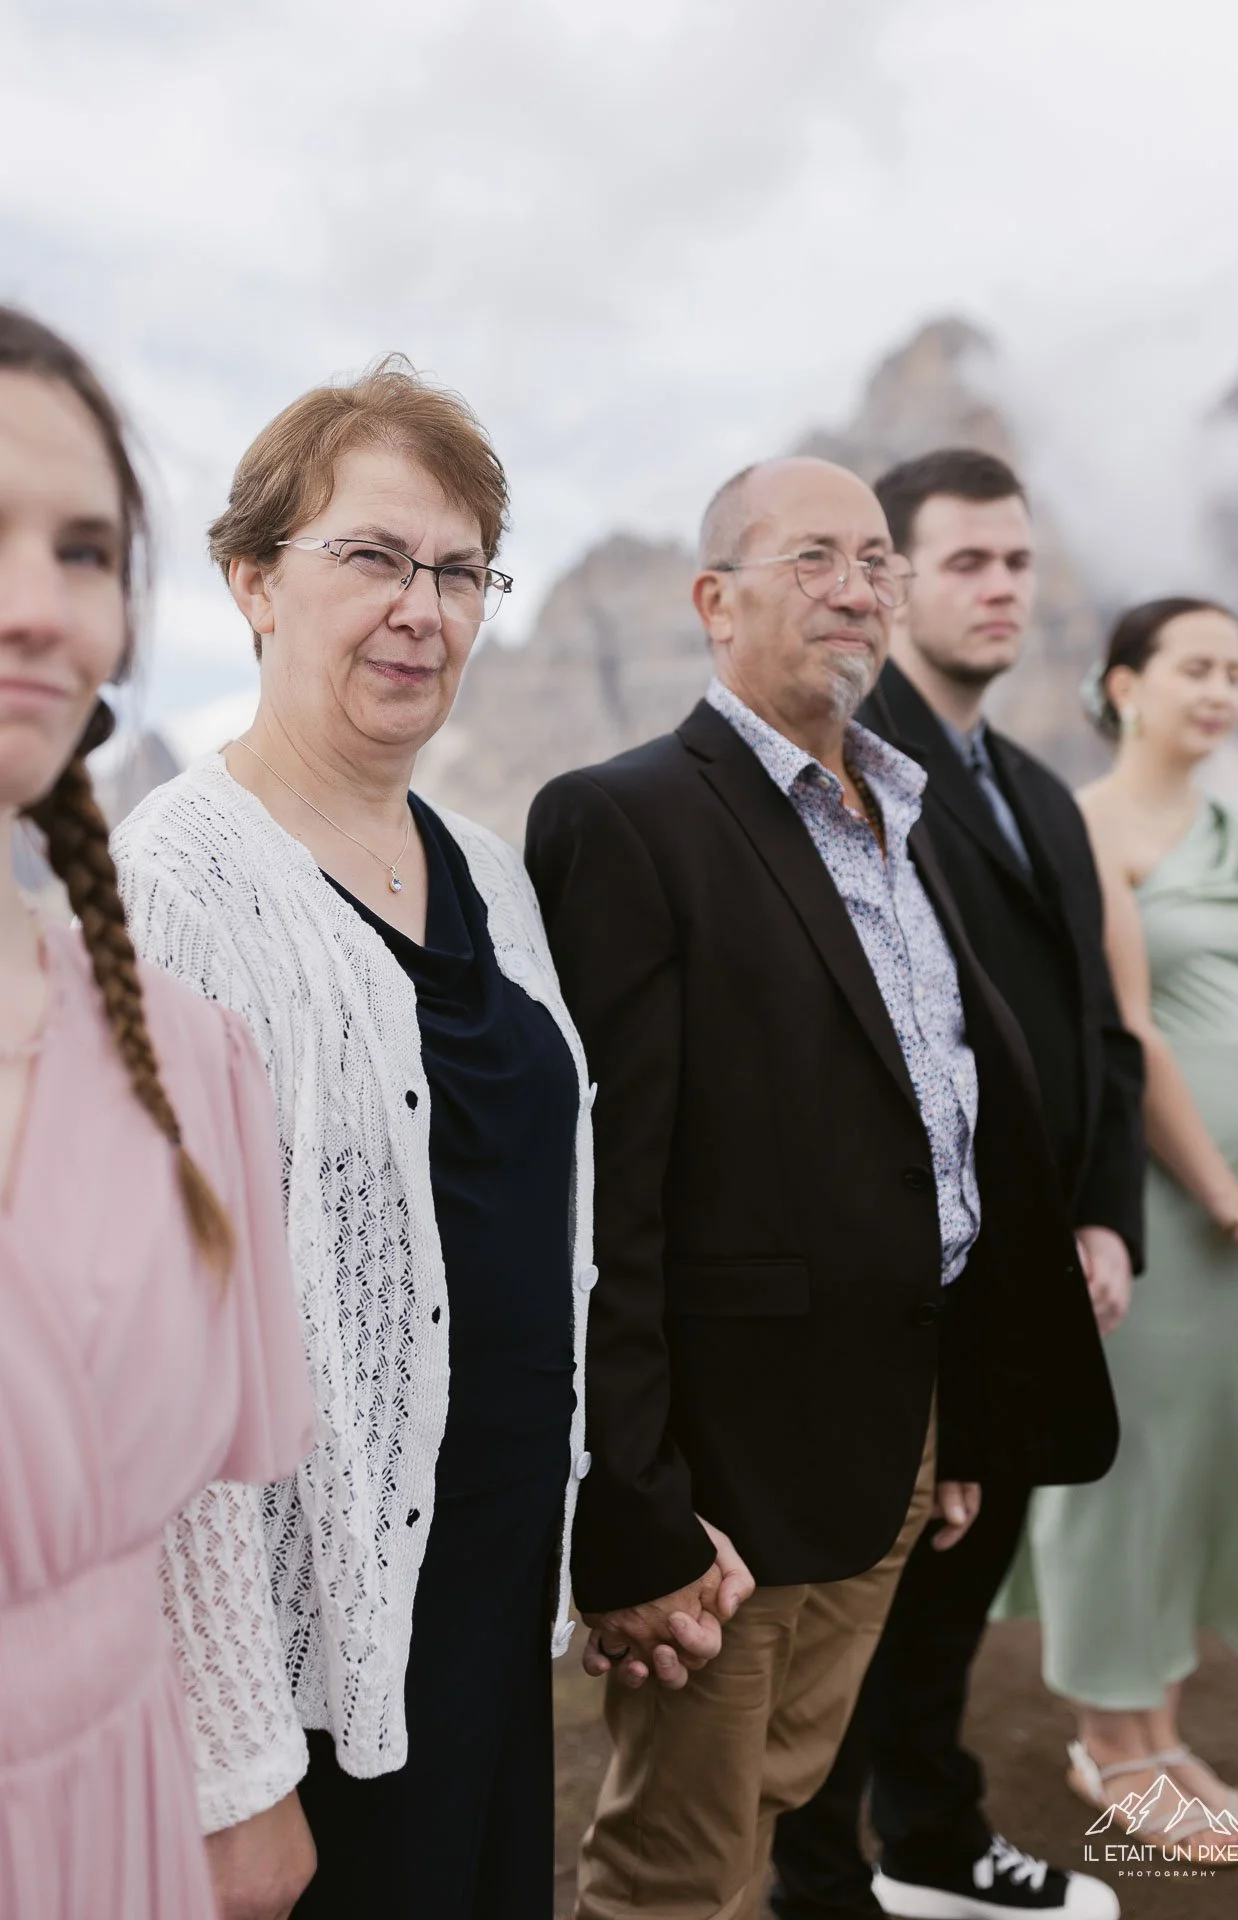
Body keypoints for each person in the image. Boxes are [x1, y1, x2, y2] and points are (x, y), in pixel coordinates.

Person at [525, 454, 1119, 1920]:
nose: (858, 587)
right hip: (733, 1478)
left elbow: (936, 1125)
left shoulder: (895, 817)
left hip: (897, 1442)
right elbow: (608, 1202)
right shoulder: (626, 818)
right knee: (675, 1860)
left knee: (777, 1807)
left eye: (875, 559)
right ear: (713, 603)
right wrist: (637, 1506)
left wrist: (958, 1413)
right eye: (814, 559)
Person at [112, 359, 596, 1920]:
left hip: (484, 1578)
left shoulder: (483, 867)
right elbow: (154, 1349)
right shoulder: (176, 886)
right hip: (305, 1629)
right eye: (374, 557)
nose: (423, 608)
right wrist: (233, 1752)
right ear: (252, 582)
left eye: (458, 572)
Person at [771, 449, 1143, 1920]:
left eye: (1018, 564)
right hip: (904, 1279)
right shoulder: (843, 773)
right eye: (966, 563)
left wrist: (1104, 1212)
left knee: (959, 1592)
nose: (1001, 590)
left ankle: (931, 1835)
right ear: (891, 578)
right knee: (855, 1609)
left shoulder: (1044, 796)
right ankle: (815, 1883)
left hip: (1031, 1273)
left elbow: (1101, 1025)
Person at [0, 311, 313, 1920]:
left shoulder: (185, 1061)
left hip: (118, 1815)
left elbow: (196, 1494)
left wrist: (247, 1777)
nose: (38, 611)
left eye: (83, 550)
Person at [997, 596, 1238, 1855]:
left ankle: (1161, 1731)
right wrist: (1227, 1196)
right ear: (1120, 685)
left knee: (1207, 1468)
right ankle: (1106, 1746)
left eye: (1235, 669)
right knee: (1128, 1473)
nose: (1221, 690)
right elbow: (1130, 1031)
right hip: (1164, 1208)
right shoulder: (1082, 828)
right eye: (1193, 668)